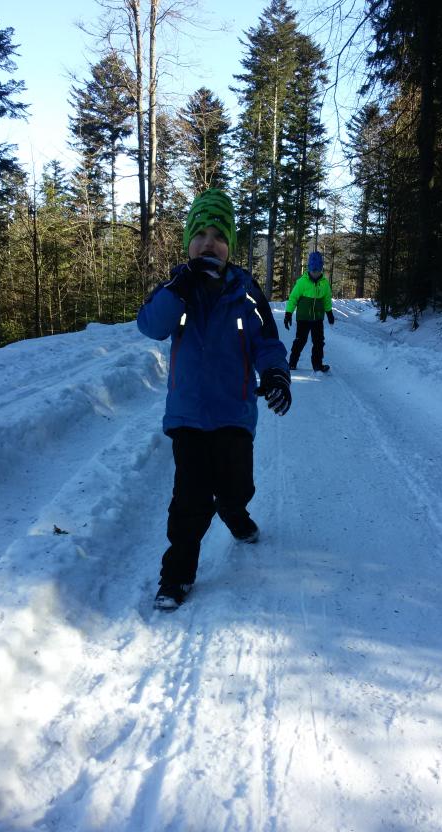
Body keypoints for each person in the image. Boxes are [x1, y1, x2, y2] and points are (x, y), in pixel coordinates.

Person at [137, 188, 292, 610]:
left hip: (234, 414)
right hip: (188, 416)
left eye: (219, 236)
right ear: (188, 242)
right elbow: (151, 325)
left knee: (236, 487)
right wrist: (180, 285)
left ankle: (236, 514)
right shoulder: (177, 287)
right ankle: (176, 576)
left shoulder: (245, 290)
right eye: (201, 234)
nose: (209, 243)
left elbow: (266, 343)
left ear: (230, 246)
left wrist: (276, 374)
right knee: (189, 501)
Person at [284, 250, 334, 373]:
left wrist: (329, 313)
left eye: (318, 271)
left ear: (321, 269)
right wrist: (288, 314)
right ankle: (292, 362)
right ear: (309, 269)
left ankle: (317, 364)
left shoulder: (325, 284)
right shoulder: (302, 282)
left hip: (317, 318)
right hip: (303, 318)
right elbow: (293, 298)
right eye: (313, 270)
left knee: (318, 342)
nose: (315, 273)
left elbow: (327, 300)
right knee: (301, 340)